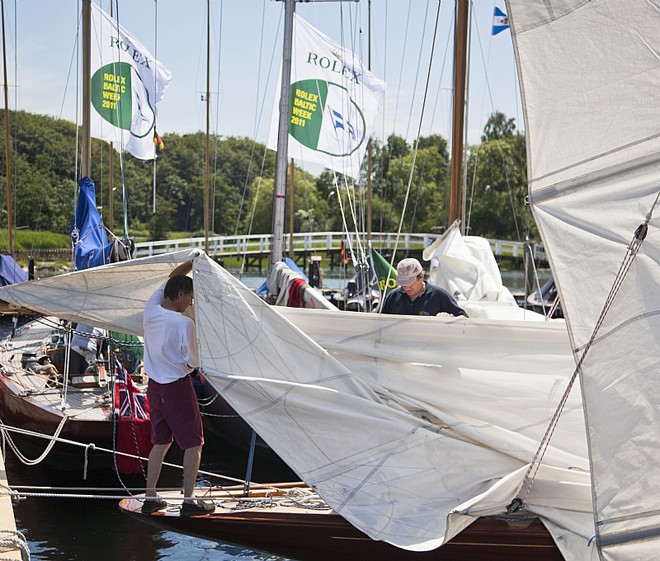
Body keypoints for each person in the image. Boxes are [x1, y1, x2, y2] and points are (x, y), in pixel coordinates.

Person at [141, 260, 213, 516]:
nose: (191, 304)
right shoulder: (184, 324)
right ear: (181, 294)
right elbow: (193, 362)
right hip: (177, 388)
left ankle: (150, 497)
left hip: (155, 388)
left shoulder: (150, 310)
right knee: (194, 444)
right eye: (190, 298)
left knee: (160, 443)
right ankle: (189, 501)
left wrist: (191, 263)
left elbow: (171, 278)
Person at [381, 257, 468, 317]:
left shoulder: (439, 295)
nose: (406, 288)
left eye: (410, 283)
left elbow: (463, 319)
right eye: (403, 283)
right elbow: (380, 324)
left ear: (421, 277)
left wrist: (449, 317)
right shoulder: (393, 296)